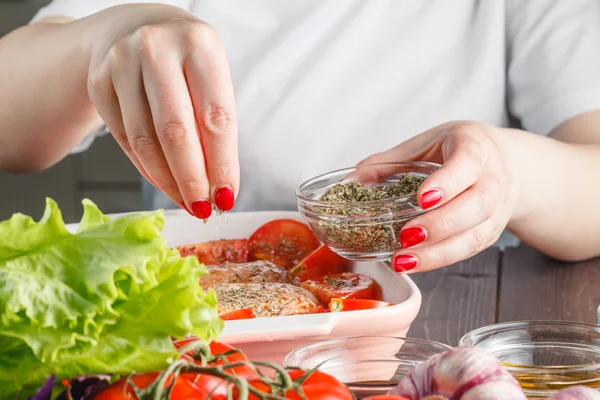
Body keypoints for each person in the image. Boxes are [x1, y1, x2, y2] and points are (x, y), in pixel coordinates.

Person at [0, 1, 599, 274]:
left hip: (453, 307)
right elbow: (11, 131)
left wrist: (507, 173)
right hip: (214, 318)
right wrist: (109, 29)